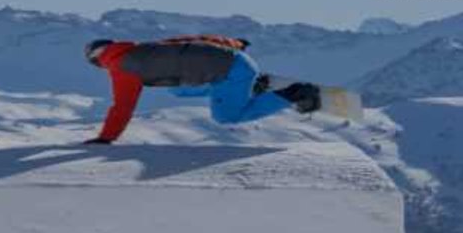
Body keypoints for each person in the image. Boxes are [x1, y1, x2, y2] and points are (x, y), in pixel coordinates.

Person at [81, 35, 321, 144]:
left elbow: (123, 106)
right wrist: (235, 43)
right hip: (235, 60)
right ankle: (254, 85)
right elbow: (195, 39)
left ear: (96, 60)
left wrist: (106, 138)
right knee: (177, 91)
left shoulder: (121, 67)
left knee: (227, 117)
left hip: (232, 72)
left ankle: (296, 93)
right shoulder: (146, 48)